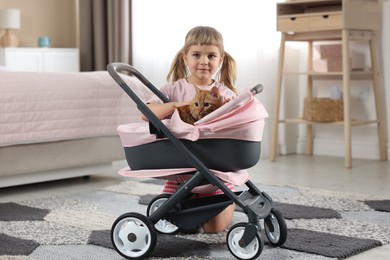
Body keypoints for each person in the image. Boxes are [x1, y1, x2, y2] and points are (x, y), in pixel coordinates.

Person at [142, 26, 238, 233]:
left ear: (220, 60)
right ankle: (186, 200)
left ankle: (229, 198)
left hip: (213, 171)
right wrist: (175, 105)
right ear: (185, 58)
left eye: (211, 55)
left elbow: (237, 121)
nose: (204, 61)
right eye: (197, 55)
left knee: (214, 230)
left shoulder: (224, 93)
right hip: (180, 171)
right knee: (173, 223)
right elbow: (145, 113)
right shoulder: (172, 89)